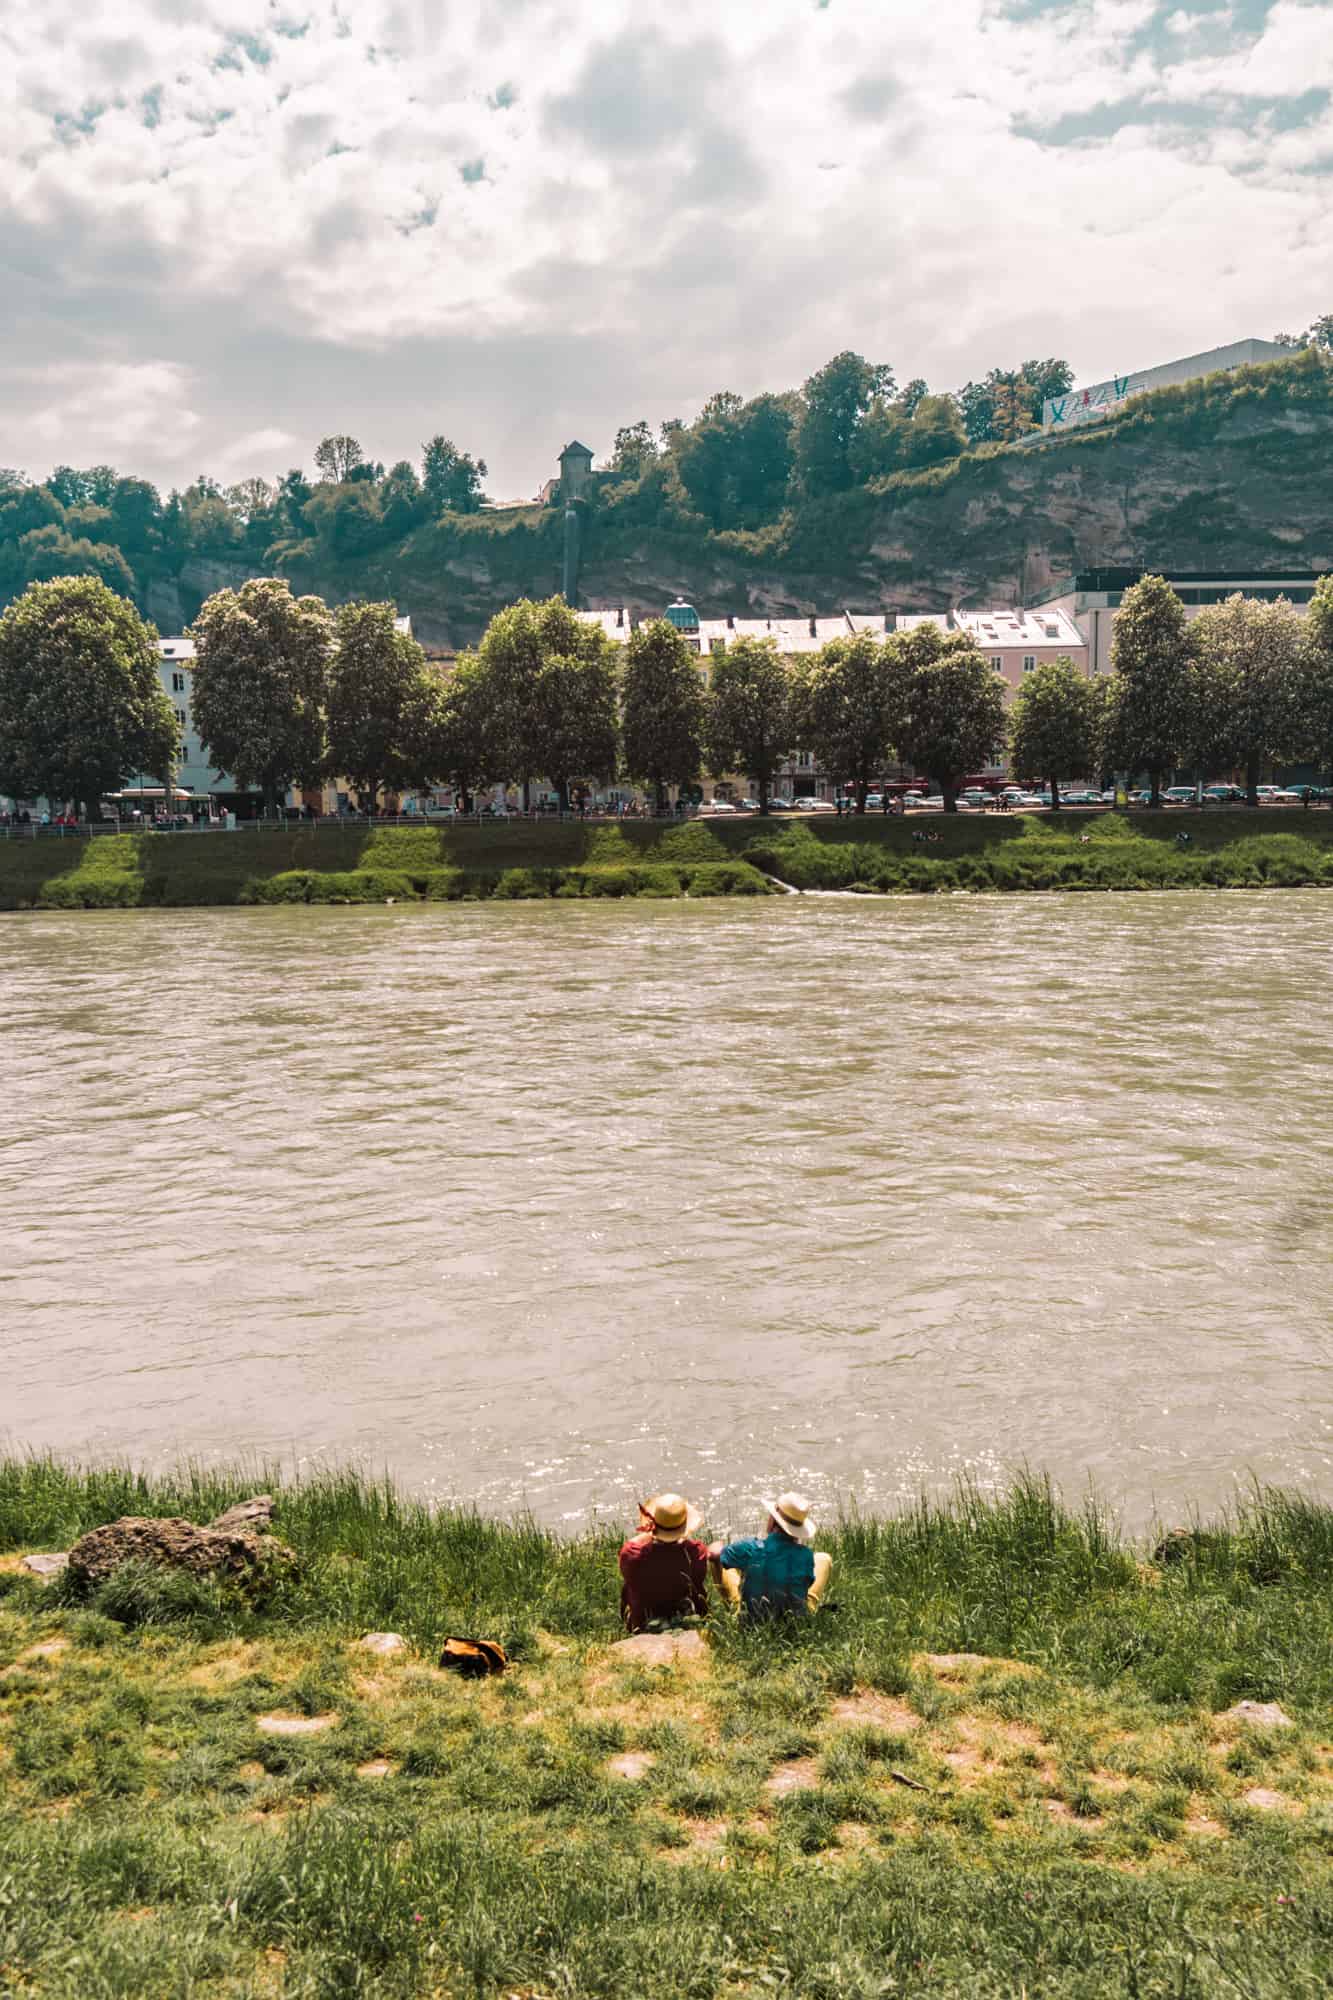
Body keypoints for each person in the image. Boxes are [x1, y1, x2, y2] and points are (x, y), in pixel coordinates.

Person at [710, 1492, 832, 1619]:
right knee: (823, 1558)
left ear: (773, 1520)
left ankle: (732, 1605)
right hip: (794, 1624)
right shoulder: (806, 1555)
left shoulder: (749, 1548)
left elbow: (713, 1555)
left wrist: (718, 1544)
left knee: (721, 1561)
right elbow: (807, 1584)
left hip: (751, 1624)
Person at [618, 1493, 710, 1632]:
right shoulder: (696, 1552)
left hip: (643, 1622)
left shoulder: (632, 1554)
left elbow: (632, 1548)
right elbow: (697, 1580)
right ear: (684, 1526)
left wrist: (650, 1533)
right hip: (687, 1617)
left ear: (653, 1523)